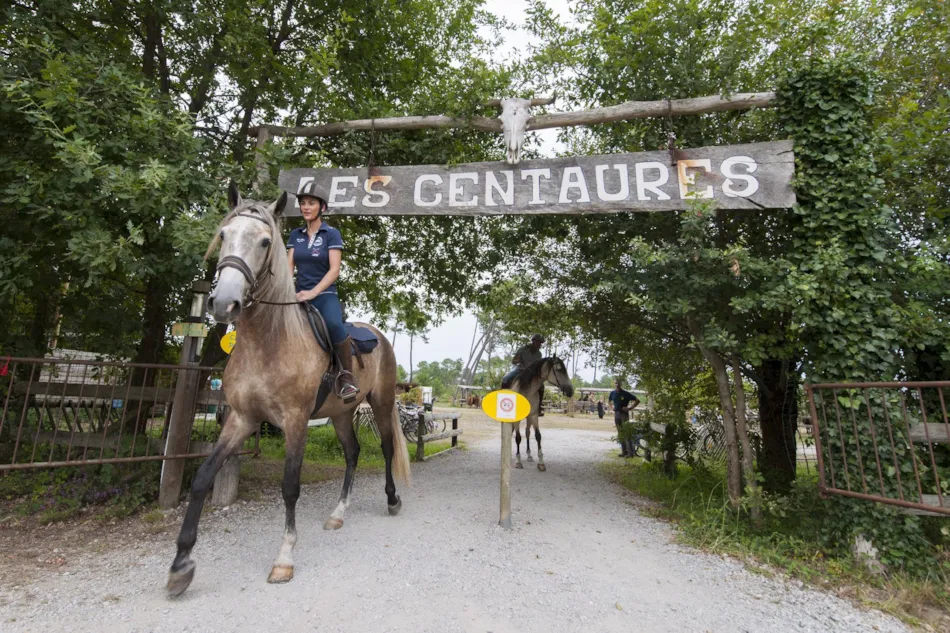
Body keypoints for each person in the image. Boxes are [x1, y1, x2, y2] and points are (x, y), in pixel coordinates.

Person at [286, 181, 359, 399]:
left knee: (335, 324)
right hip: (297, 295)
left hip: (324, 294)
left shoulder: (331, 234)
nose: (306, 207)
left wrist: (313, 292)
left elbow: (334, 270)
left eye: (311, 203)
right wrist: (289, 292)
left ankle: (346, 377)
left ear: (322, 208)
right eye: (303, 204)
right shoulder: (294, 235)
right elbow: (288, 268)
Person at [502, 333, 546, 416]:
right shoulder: (522, 349)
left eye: (541, 343)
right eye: (539, 342)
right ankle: (504, 400)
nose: (540, 345)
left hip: (532, 373)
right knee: (505, 378)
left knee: (542, 385)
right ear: (533, 341)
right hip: (520, 369)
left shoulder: (539, 354)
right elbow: (514, 360)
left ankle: (539, 407)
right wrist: (519, 363)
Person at [608, 378, 641, 458]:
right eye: (616, 383)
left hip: (624, 414)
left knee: (626, 433)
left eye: (618, 383)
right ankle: (624, 452)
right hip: (617, 414)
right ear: (614, 384)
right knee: (620, 433)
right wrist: (611, 407)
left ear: (621, 384)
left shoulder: (626, 393)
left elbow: (637, 400)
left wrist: (629, 408)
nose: (617, 385)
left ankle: (630, 453)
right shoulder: (612, 393)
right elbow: (609, 401)